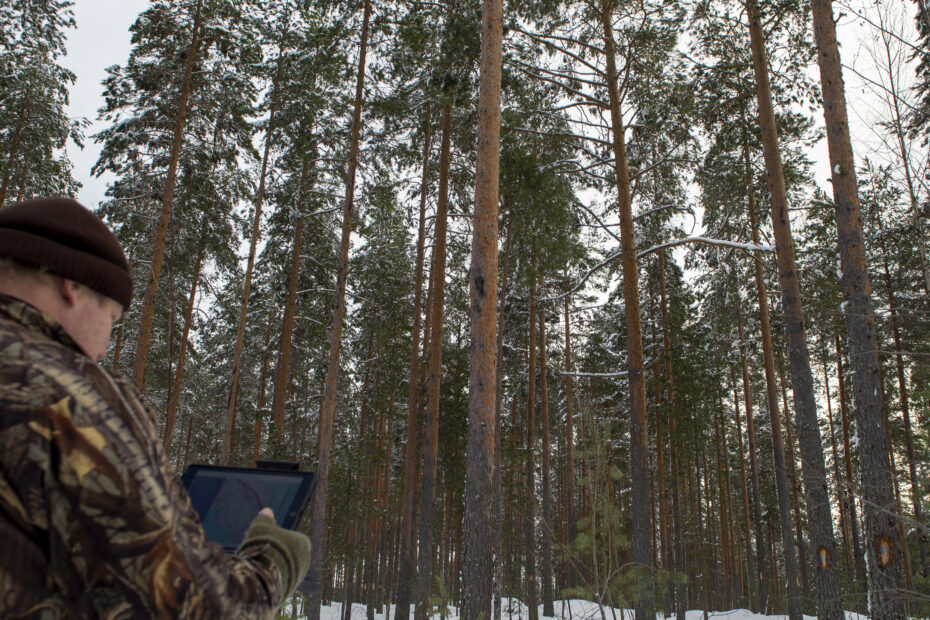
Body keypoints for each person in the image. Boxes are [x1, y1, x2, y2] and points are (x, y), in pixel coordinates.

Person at [0, 198, 310, 618]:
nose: (105, 346)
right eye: (112, 317)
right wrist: (273, 558)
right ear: (72, 286)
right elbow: (198, 607)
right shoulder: (67, 395)